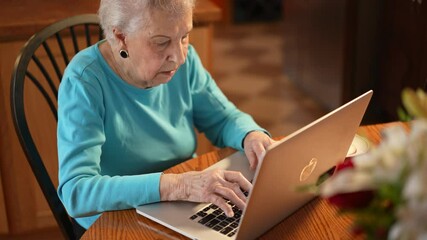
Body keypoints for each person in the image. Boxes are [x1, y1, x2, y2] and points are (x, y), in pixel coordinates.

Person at [57, 0, 276, 231]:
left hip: (182, 202)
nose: (180, 57)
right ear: (121, 38)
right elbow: (76, 192)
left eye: (184, 36)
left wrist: (250, 135)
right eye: (161, 43)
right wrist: (177, 186)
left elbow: (223, 118)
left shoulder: (185, 61)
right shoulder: (84, 80)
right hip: (117, 219)